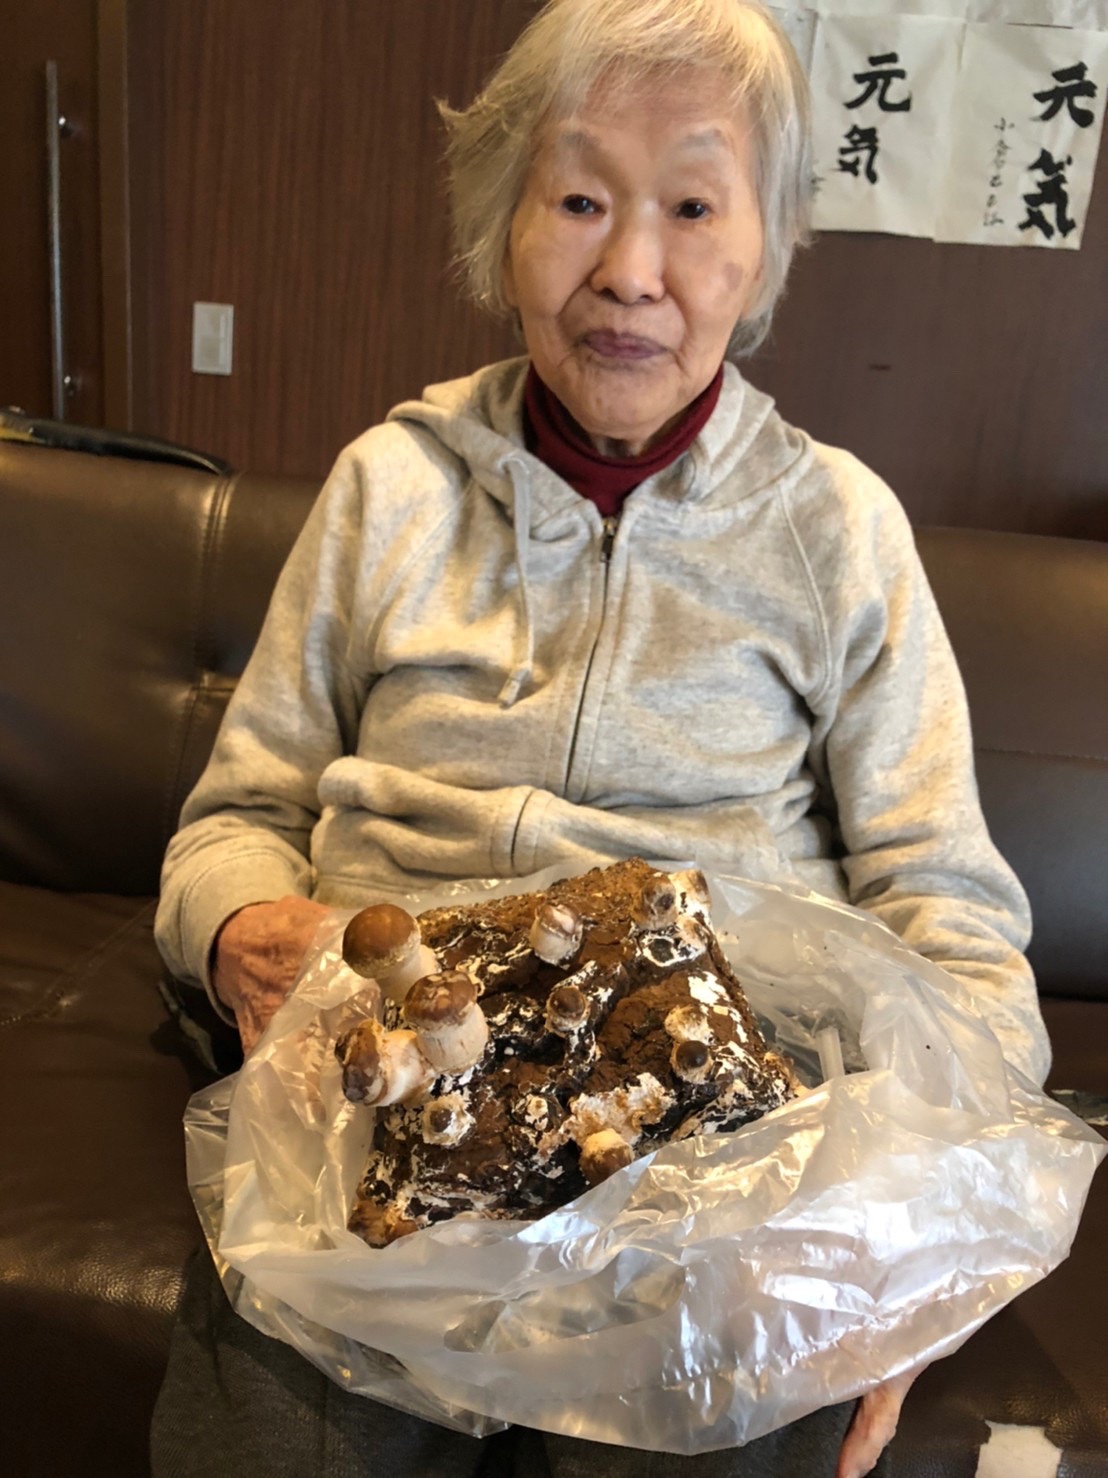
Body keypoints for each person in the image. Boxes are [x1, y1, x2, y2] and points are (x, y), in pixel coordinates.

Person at [152, 1, 1050, 1474]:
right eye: (578, 199)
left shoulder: (838, 528)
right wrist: (240, 927)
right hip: (382, 1094)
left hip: (711, 1129)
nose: (630, 270)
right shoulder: (389, 487)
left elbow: (947, 910)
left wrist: (926, 1242)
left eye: (692, 207)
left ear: (765, 245)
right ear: (502, 227)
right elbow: (234, 816)